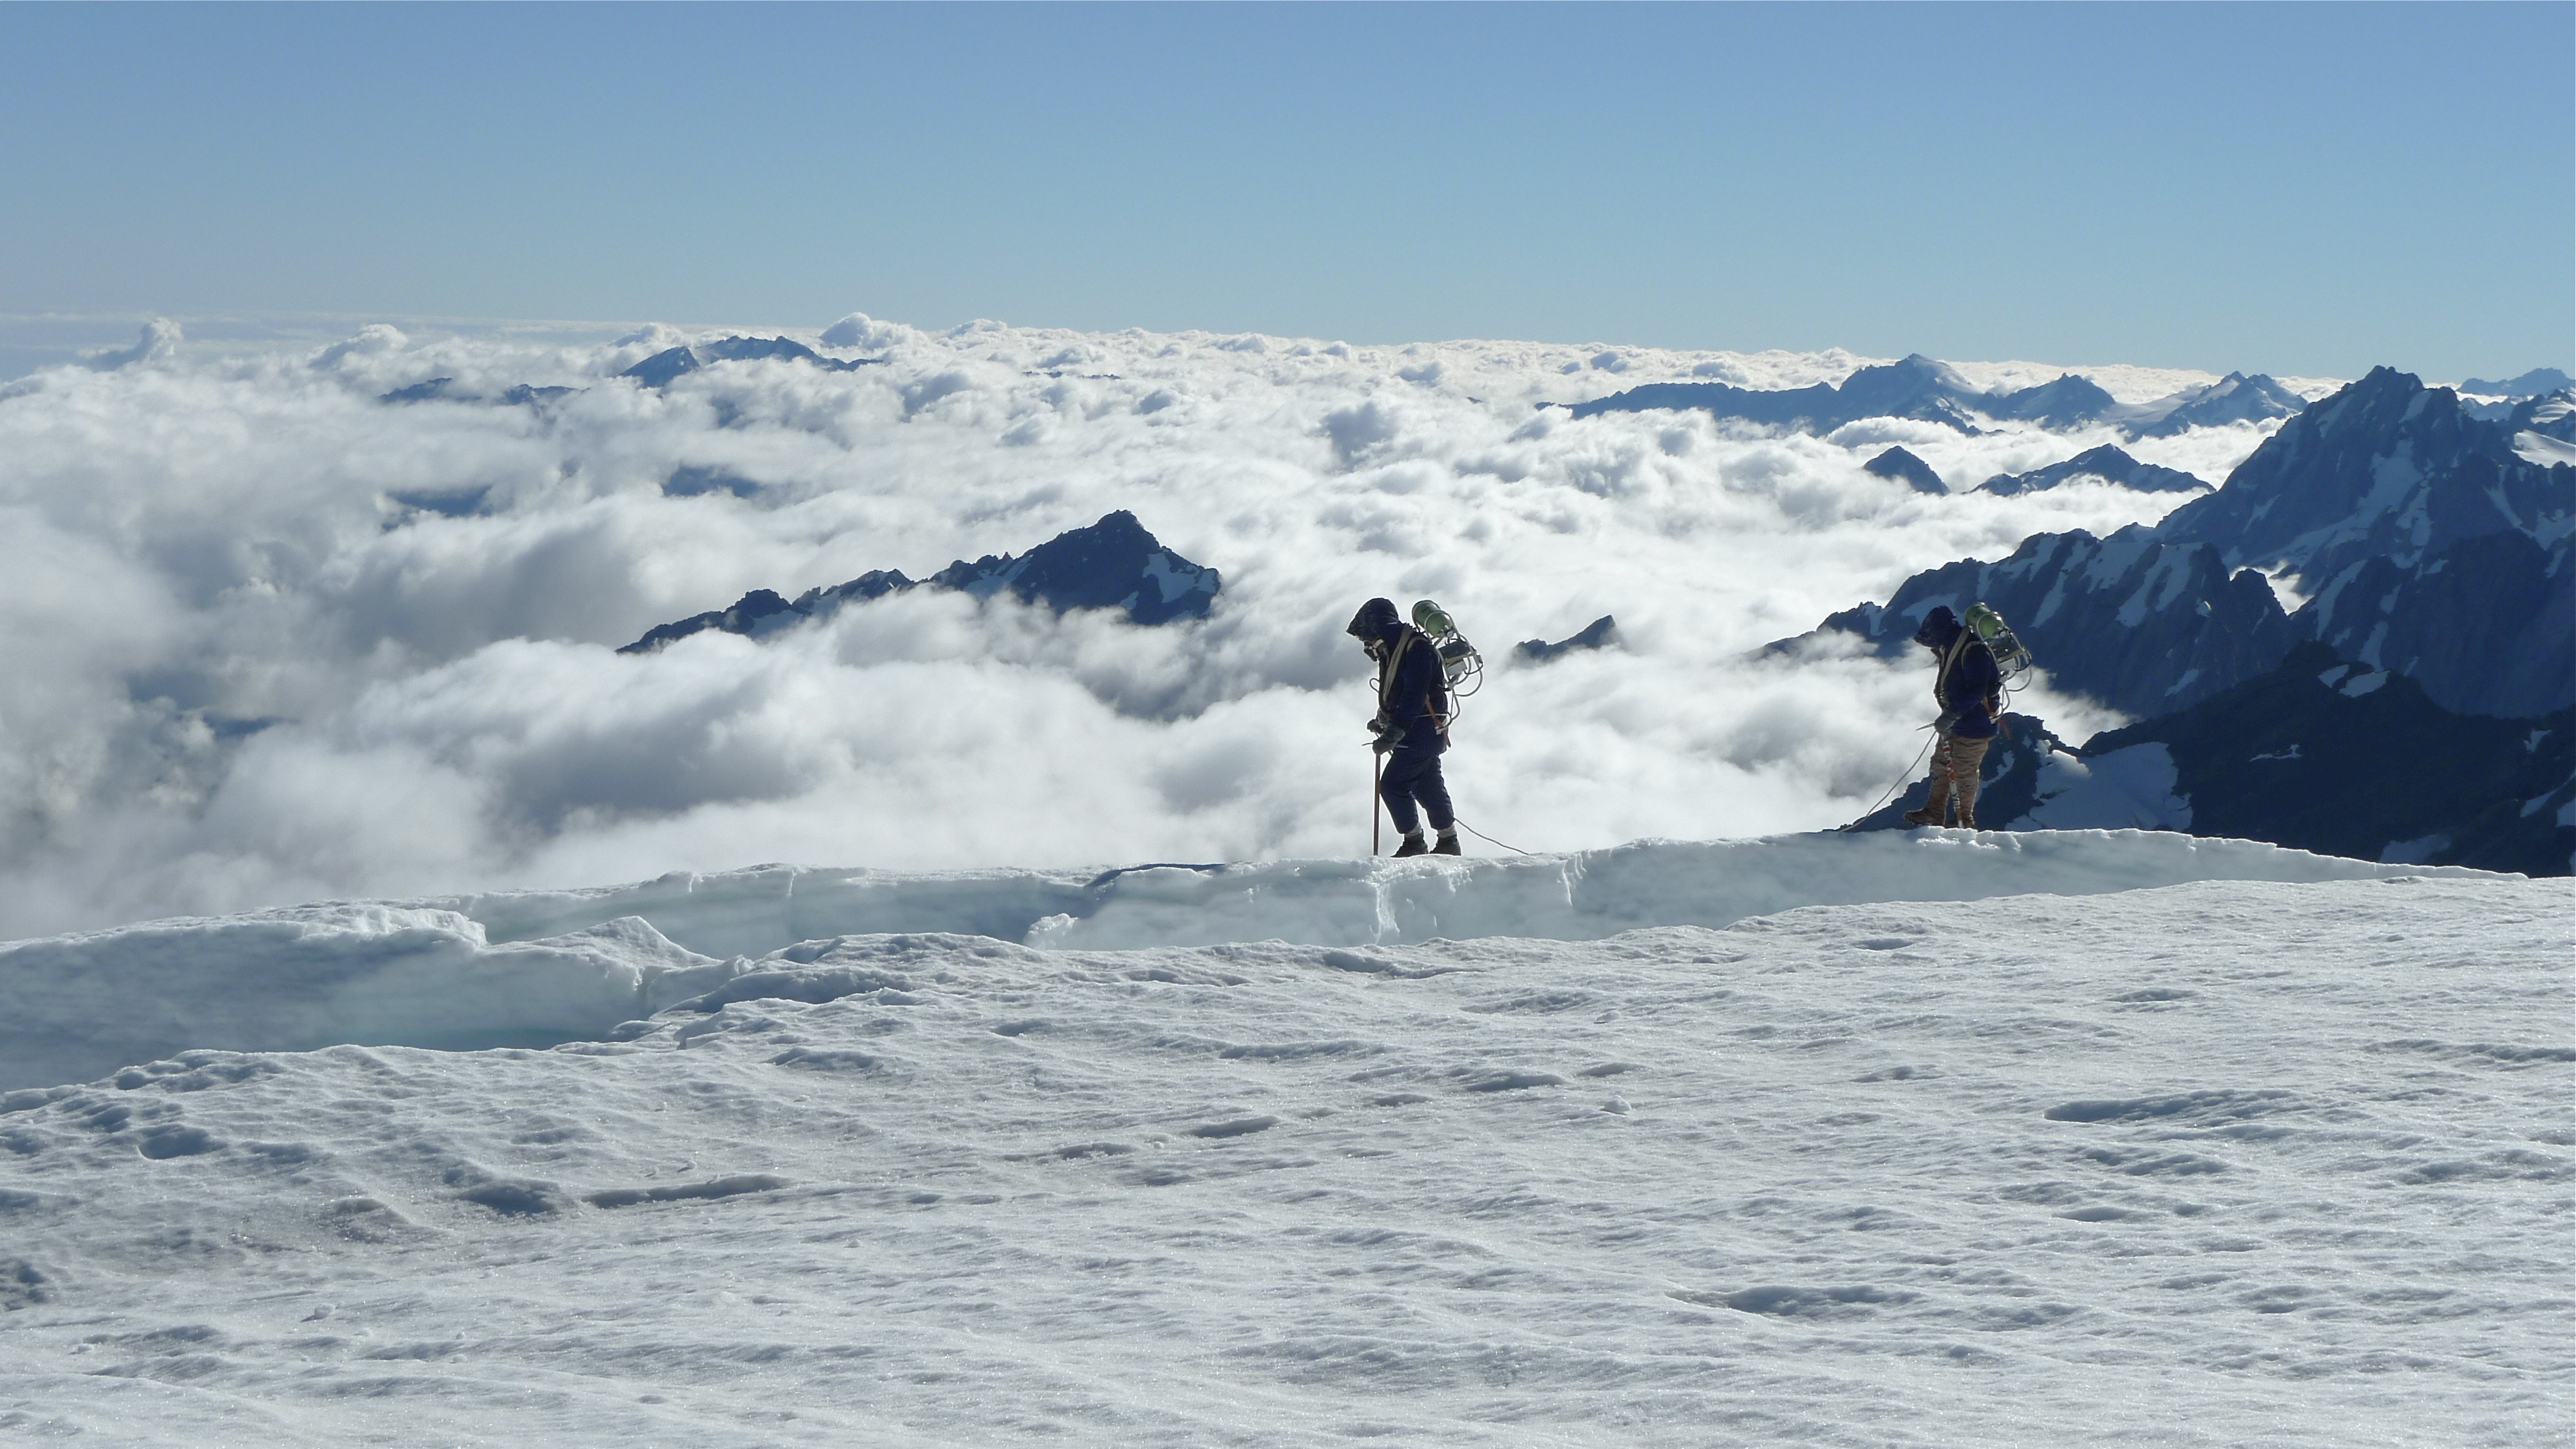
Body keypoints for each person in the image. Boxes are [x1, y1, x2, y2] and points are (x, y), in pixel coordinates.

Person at [1346, 597, 1459, 856]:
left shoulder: (1416, 651)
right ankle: (1448, 842)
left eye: (1368, 636)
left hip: (1418, 734)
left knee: (1392, 785)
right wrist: (1384, 722)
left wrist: (1393, 731)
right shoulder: (1402, 648)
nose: (1367, 643)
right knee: (1427, 784)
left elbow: (1413, 697)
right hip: (1427, 733)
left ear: (1379, 628)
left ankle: (1414, 842)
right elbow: (1399, 693)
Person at [1902, 605, 2003, 828]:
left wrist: (1952, 714)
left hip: (1974, 725)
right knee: (1941, 766)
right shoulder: (1955, 646)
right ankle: (1934, 812)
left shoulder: (1974, 651)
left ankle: (1964, 820)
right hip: (1958, 722)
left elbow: (1977, 691)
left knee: (1964, 772)